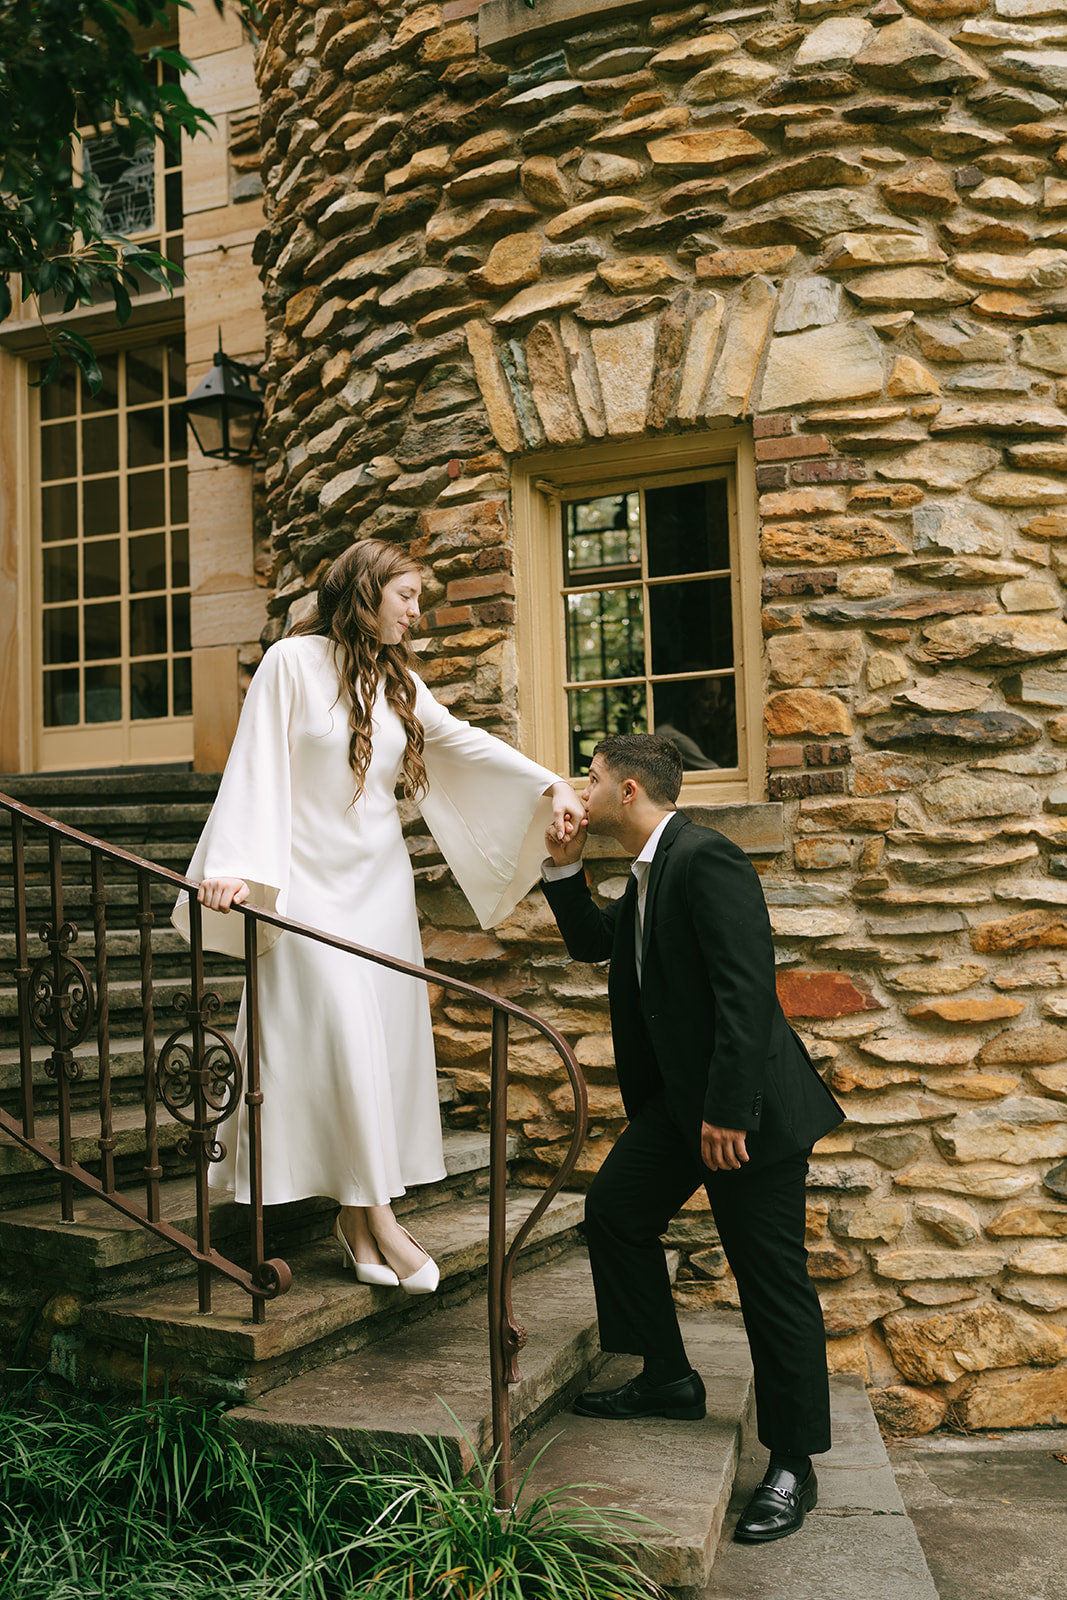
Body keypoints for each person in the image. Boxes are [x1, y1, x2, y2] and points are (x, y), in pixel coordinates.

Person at [173, 539, 584, 1295]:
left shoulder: (400, 683)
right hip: (304, 888)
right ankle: (383, 1219)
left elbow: (465, 743)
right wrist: (232, 865)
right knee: (338, 1041)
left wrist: (551, 782)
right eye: (407, 596)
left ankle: (356, 1224)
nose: (416, 612)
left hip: (377, 890)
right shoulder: (291, 663)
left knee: (374, 1052)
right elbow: (254, 763)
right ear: (366, 593)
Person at [540, 734, 843, 1544]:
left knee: (769, 1280)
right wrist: (562, 868)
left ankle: (792, 1463)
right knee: (613, 1211)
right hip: (682, 1109)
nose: (581, 790)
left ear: (628, 789)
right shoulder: (647, 872)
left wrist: (731, 1110)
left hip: (746, 1114)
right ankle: (668, 1378)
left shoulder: (704, 857)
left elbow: (747, 987)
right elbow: (594, 945)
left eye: (591, 779)